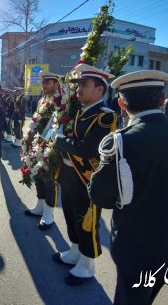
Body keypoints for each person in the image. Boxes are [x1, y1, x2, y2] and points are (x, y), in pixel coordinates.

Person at [89, 70, 168, 305]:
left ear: (121, 103)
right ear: (163, 99)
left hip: (135, 251)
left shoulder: (122, 141)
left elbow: (100, 195)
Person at [52, 63, 118, 286]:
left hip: (87, 179)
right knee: (71, 216)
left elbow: (86, 149)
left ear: (100, 90)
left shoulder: (105, 118)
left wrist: (59, 139)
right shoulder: (80, 112)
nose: (78, 89)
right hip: (69, 175)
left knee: (86, 221)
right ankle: (74, 251)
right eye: (78, 85)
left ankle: (88, 264)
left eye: (84, 85)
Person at [24, 72, 62, 230]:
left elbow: (56, 125)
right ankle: (40, 206)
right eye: (43, 82)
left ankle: (49, 214)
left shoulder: (59, 101)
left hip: (50, 145)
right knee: (38, 176)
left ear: (56, 84)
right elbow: (36, 120)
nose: (44, 85)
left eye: (47, 82)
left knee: (49, 180)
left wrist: (44, 142)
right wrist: (29, 138)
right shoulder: (42, 100)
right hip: (38, 143)